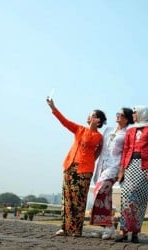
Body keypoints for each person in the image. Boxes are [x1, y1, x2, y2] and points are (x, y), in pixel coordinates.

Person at [46, 97, 107, 237]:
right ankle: (64, 227)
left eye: (91, 115)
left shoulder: (98, 136)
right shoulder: (79, 129)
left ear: (97, 120)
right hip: (69, 166)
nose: (88, 116)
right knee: (66, 198)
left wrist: (90, 160)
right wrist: (53, 108)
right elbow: (65, 122)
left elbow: (97, 150)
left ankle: (75, 230)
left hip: (84, 170)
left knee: (78, 199)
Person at [115, 106, 148, 243]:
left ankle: (135, 232)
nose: (133, 115)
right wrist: (122, 169)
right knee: (126, 197)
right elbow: (126, 149)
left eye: (135, 113)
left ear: (142, 113)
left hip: (145, 167)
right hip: (130, 166)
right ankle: (123, 231)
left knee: (140, 199)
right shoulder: (131, 130)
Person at [90, 108, 134, 240]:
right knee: (104, 197)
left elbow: (126, 153)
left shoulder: (128, 133)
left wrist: (122, 170)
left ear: (126, 118)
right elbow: (100, 147)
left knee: (100, 191)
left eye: (120, 115)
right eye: (117, 114)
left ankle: (108, 227)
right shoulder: (108, 129)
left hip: (114, 167)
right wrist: (92, 160)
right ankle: (107, 228)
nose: (118, 116)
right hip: (102, 165)